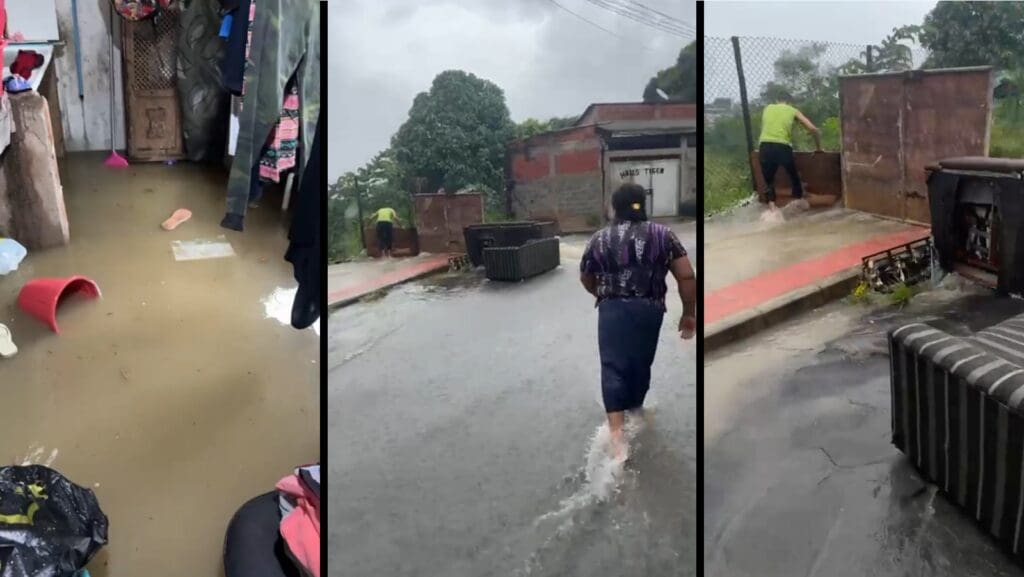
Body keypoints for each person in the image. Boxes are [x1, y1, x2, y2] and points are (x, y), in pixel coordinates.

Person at [580, 183, 697, 460]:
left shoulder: (599, 239)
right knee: (640, 364)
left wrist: (603, 294)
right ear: (642, 205)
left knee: (612, 366)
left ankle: (618, 435)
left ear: (614, 207)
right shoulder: (663, 235)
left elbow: (586, 276)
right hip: (650, 309)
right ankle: (635, 411)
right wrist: (689, 313)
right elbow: (686, 276)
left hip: (612, 310)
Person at [758, 98, 822, 212]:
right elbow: (812, 128)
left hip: (764, 146)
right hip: (782, 147)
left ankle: (772, 210)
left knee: (769, 181)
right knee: (793, 175)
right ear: (789, 102)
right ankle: (798, 202)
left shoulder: (767, 108)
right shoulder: (792, 110)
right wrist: (818, 148)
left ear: (777, 100)